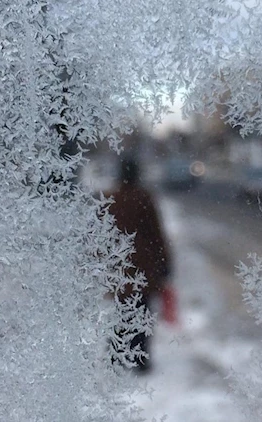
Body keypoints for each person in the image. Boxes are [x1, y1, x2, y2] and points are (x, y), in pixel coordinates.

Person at [105, 154, 172, 373]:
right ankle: (140, 359)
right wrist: (165, 265)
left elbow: (102, 236)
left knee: (123, 313)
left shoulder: (111, 199)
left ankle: (117, 357)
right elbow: (156, 235)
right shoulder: (144, 198)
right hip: (143, 269)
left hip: (120, 269)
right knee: (142, 314)